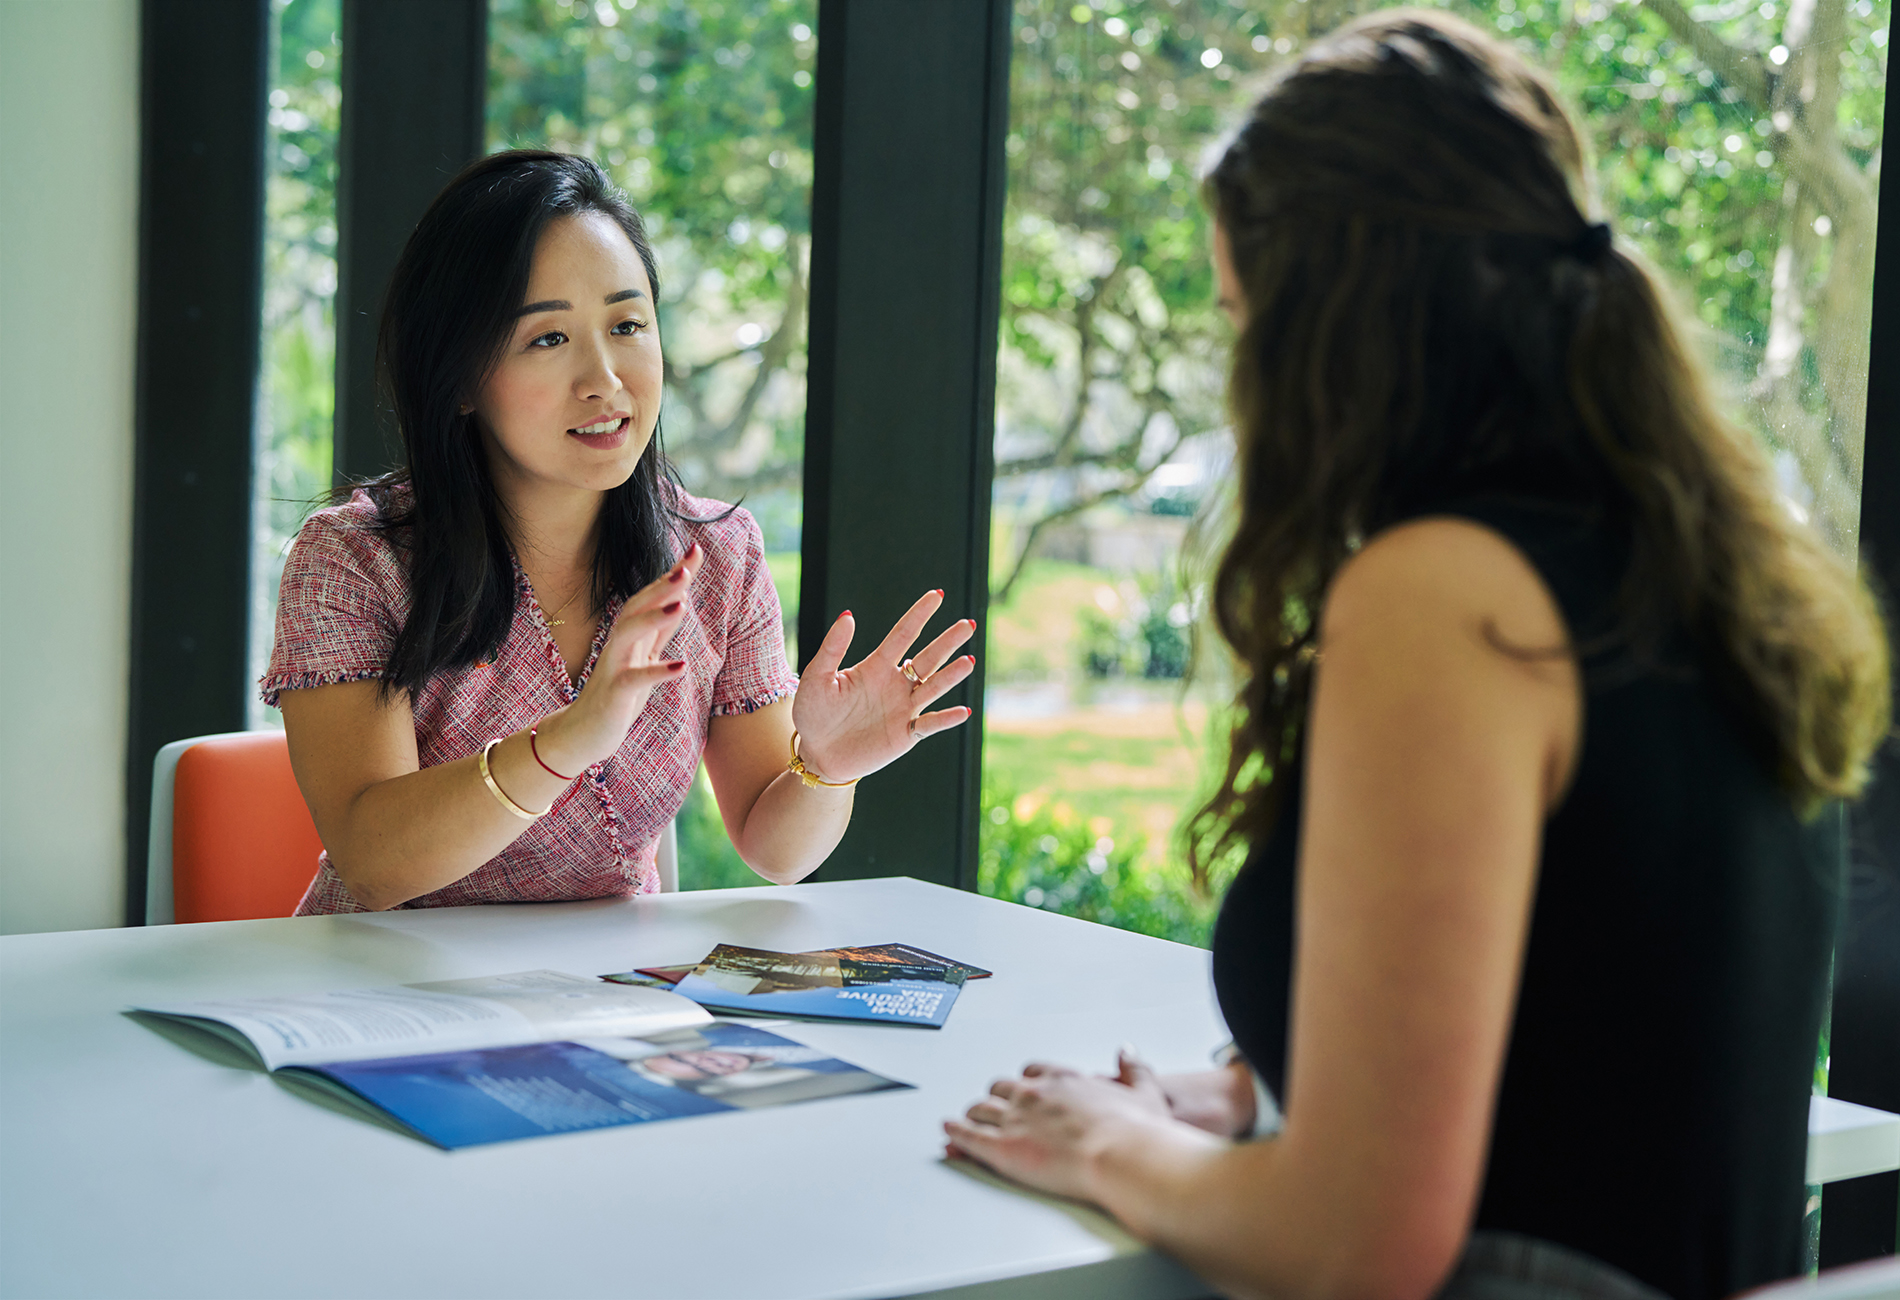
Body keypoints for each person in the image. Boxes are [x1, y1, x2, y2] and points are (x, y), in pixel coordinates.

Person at [944, 13, 1889, 1300]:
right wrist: (1242, 1094)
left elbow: (1364, 1246)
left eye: (1245, 325)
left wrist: (1109, 1140)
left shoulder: (1445, 594)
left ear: (1336, 330)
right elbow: (1600, 1028)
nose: (1243, 386)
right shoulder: (1703, 568)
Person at [262, 151, 972, 914]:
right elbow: (373, 864)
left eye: (627, 324)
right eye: (548, 339)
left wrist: (828, 767)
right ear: (461, 376)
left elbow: (776, 849)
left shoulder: (718, 555)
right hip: (379, 998)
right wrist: (566, 740)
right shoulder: (353, 561)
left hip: (608, 1000)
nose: (604, 378)